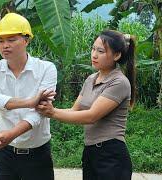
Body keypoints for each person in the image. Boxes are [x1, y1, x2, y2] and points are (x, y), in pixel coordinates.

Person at [37, 30, 135, 180]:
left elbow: (91, 116)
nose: (94, 55)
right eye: (93, 49)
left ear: (117, 55)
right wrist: (47, 108)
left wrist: (53, 112)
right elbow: (74, 110)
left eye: (100, 51)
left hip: (111, 155)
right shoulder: (91, 79)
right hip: (90, 152)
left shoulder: (119, 82)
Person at [0, 13, 57, 180]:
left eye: (11, 39)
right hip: (5, 154)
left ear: (26, 40)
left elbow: (39, 112)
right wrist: (29, 101)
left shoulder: (46, 69)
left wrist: (11, 134)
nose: (5, 45)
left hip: (38, 153)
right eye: (1, 41)